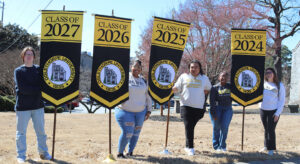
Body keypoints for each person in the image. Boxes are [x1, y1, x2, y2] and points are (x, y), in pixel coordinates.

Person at [14, 47, 52, 163]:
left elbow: (45, 85)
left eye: (31, 54)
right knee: (21, 133)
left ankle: (44, 153)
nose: (29, 56)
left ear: (34, 57)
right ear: (23, 57)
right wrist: (38, 89)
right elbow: (23, 89)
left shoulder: (39, 70)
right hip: (23, 107)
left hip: (38, 107)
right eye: (27, 54)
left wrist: (38, 89)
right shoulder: (18, 71)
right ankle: (21, 156)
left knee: (41, 132)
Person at [173, 60, 212, 156]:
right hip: (185, 106)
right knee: (189, 126)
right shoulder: (184, 77)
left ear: (200, 68)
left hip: (199, 108)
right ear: (189, 68)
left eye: (196, 67)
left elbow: (207, 89)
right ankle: (190, 147)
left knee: (190, 126)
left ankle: (187, 146)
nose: (194, 69)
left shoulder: (204, 78)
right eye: (192, 67)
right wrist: (169, 89)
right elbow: (177, 88)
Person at [115, 60, 152, 158]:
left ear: (141, 69)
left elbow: (148, 96)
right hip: (124, 111)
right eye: (134, 66)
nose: (136, 69)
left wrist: (149, 110)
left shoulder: (144, 81)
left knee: (136, 133)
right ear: (131, 67)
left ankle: (130, 151)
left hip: (140, 112)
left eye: (138, 67)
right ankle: (120, 153)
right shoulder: (124, 78)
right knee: (128, 132)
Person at [259, 67, 285, 155]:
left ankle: (271, 148)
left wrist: (278, 113)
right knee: (266, 128)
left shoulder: (279, 85)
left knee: (271, 129)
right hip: (263, 110)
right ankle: (266, 146)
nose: (268, 74)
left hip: (273, 111)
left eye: (270, 72)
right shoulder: (263, 84)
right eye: (267, 73)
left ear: (274, 74)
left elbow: (282, 101)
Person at [209, 71, 232, 152]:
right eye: (222, 76)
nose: (223, 78)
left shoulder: (231, 87)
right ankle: (216, 146)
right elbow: (211, 102)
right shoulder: (214, 88)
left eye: (225, 76)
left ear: (228, 78)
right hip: (217, 109)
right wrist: (213, 113)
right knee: (216, 127)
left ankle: (223, 145)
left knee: (225, 127)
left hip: (227, 109)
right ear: (219, 77)